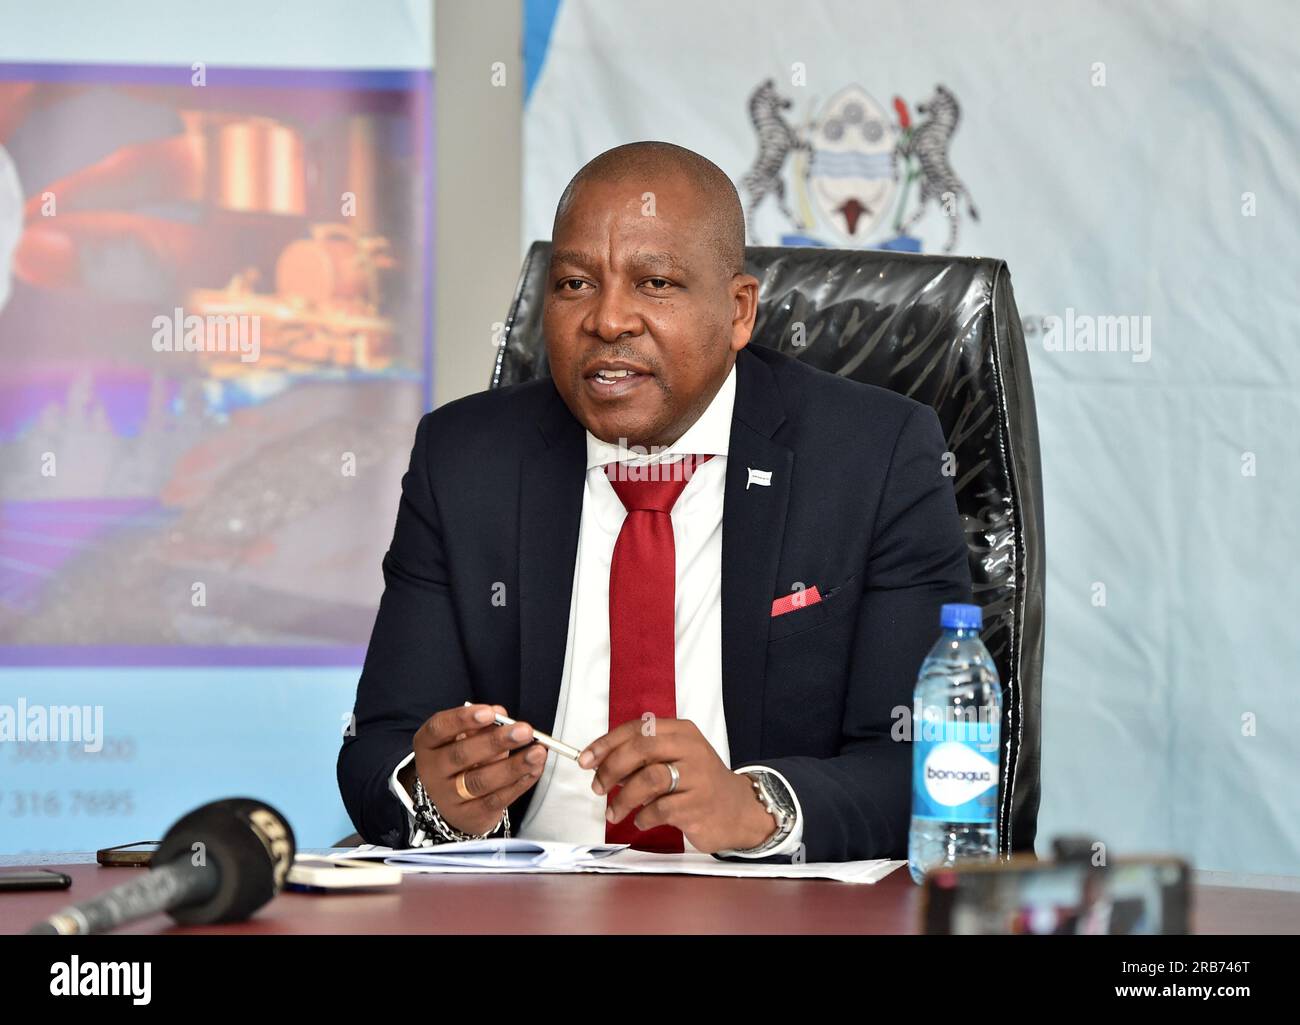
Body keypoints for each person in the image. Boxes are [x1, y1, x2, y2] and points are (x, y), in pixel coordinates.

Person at [338, 140, 972, 862]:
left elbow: (930, 767)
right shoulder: (465, 460)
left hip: (767, 909)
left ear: (738, 311)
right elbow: (377, 746)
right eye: (575, 284)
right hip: (530, 902)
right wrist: (435, 795)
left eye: (657, 283)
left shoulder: (873, 457)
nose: (608, 320)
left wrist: (756, 806)